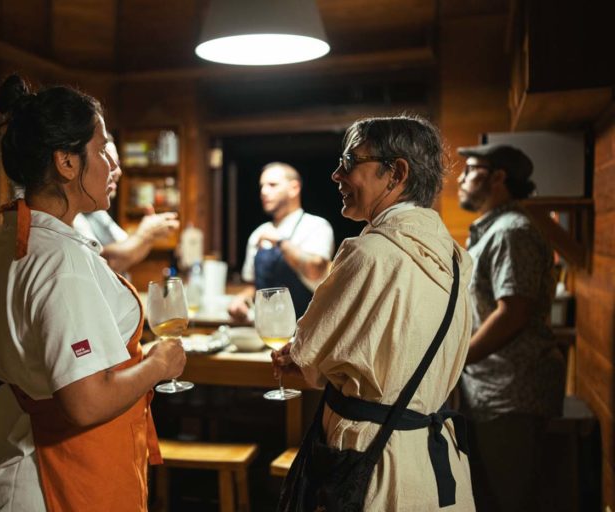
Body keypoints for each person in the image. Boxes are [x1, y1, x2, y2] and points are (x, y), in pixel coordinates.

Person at [0, 74, 186, 512]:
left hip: (16, 453)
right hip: (52, 476)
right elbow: (85, 402)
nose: (115, 164)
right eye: (103, 148)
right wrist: (158, 365)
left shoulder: (9, 228)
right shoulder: (61, 260)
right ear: (67, 163)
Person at [272, 115, 475, 511]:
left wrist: (298, 359)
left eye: (349, 161)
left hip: (371, 467)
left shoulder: (369, 253)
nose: (335, 175)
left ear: (396, 173)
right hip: (435, 467)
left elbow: (308, 358)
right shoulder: (452, 258)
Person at [456, 143, 565, 511]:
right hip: (493, 390)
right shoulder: (495, 228)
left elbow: (514, 312)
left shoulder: (510, 231)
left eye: (471, 169)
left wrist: (456, 359)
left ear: (498, 177)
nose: (461, 177)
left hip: (510, 393)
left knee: (511, 501)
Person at [228, 162, 334, 320]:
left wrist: (280, 243)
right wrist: (242, 299)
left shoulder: (316, 226)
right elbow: (253, 285)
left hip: (307, 329)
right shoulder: (259, 233)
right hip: (267, 328)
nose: (264, 191)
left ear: (294, 188)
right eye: (262, 186)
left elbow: (316, 270)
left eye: (272, 185)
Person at [73, 139, 179, 274]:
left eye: (117, 164)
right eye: (108, 162)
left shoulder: (97, 211)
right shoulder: (73, 215)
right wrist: (145, 234)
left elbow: (129, 254)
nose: (118, 172)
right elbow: (109, 262)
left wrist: (150, 236)